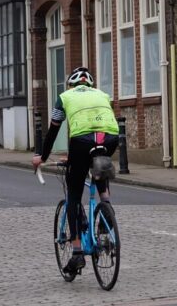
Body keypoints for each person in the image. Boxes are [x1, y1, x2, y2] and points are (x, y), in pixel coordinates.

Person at [31, 67, 119, 276]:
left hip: (81, 142)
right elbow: (101, 124)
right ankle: (105, 206)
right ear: (89, 84)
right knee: (99, 167)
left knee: (73, 196)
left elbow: (53, 131)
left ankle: (77, 251)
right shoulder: (103, 95)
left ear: (71, 84)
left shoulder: (64, 97)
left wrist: (42, 158)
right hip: (110, 139)